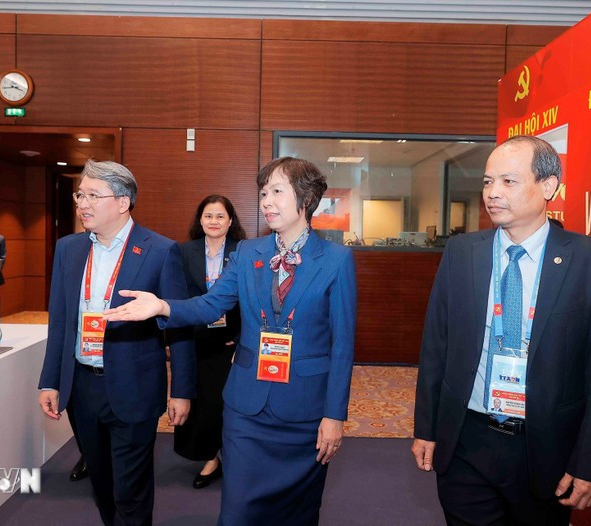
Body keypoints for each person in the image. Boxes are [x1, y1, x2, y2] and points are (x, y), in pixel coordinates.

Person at [104, 157, 357, 525]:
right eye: (263, 193)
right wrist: (163, 306)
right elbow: (210, 305)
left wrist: (334, 416)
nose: (266, 201)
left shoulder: (336, 260)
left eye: (277, 192)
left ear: (306, 199)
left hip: (304, 411)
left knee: (297, 514)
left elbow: (342, 346)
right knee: (237, 512)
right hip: (245, 410)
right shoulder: (248, 253)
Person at [412, 135, 591, 525]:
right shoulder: (462, 253)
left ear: (548, 186)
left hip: (545, 448)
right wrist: (425, 428)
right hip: (466, 440)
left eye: (508, 181)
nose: (492, 193)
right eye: (487, 181)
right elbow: (436, 347)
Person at [37, 159, 196, 525]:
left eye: (93, 195)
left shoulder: (160, 250)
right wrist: (50, 381)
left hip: (134, 386)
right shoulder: (68, 249)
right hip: (82, 387)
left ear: (123, 202)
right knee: (102, 484)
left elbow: (179, 325)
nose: (82, 203)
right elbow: (60, 321)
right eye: (80, 195)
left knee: (131, 490)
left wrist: (182, 390)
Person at [175, 194, 246, 489]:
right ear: (200, 220)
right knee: (202, 401)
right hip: (195, 338)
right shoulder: (183, 251)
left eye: (220, 216)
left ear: (230, 221)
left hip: (231, 342)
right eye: (208, 216)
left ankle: (230, 455)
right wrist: (173, 338)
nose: (214, 221)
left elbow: (252, 302)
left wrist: (242, 339)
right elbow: (176, 296)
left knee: (226, 403)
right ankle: (210, 455)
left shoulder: (243, 252)